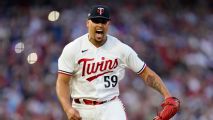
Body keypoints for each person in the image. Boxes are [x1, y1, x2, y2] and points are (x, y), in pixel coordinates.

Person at [56, 5, 180, 120]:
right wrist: (67, 108)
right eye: (96, 21)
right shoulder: (73, 48)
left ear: (108, 24)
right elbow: (62, 81)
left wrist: (167, 95)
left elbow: (147, 74)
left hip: (111, 106)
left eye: (103, 22)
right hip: (81, 107)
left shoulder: (120, 48)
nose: (100, 25)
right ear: (88, 23)